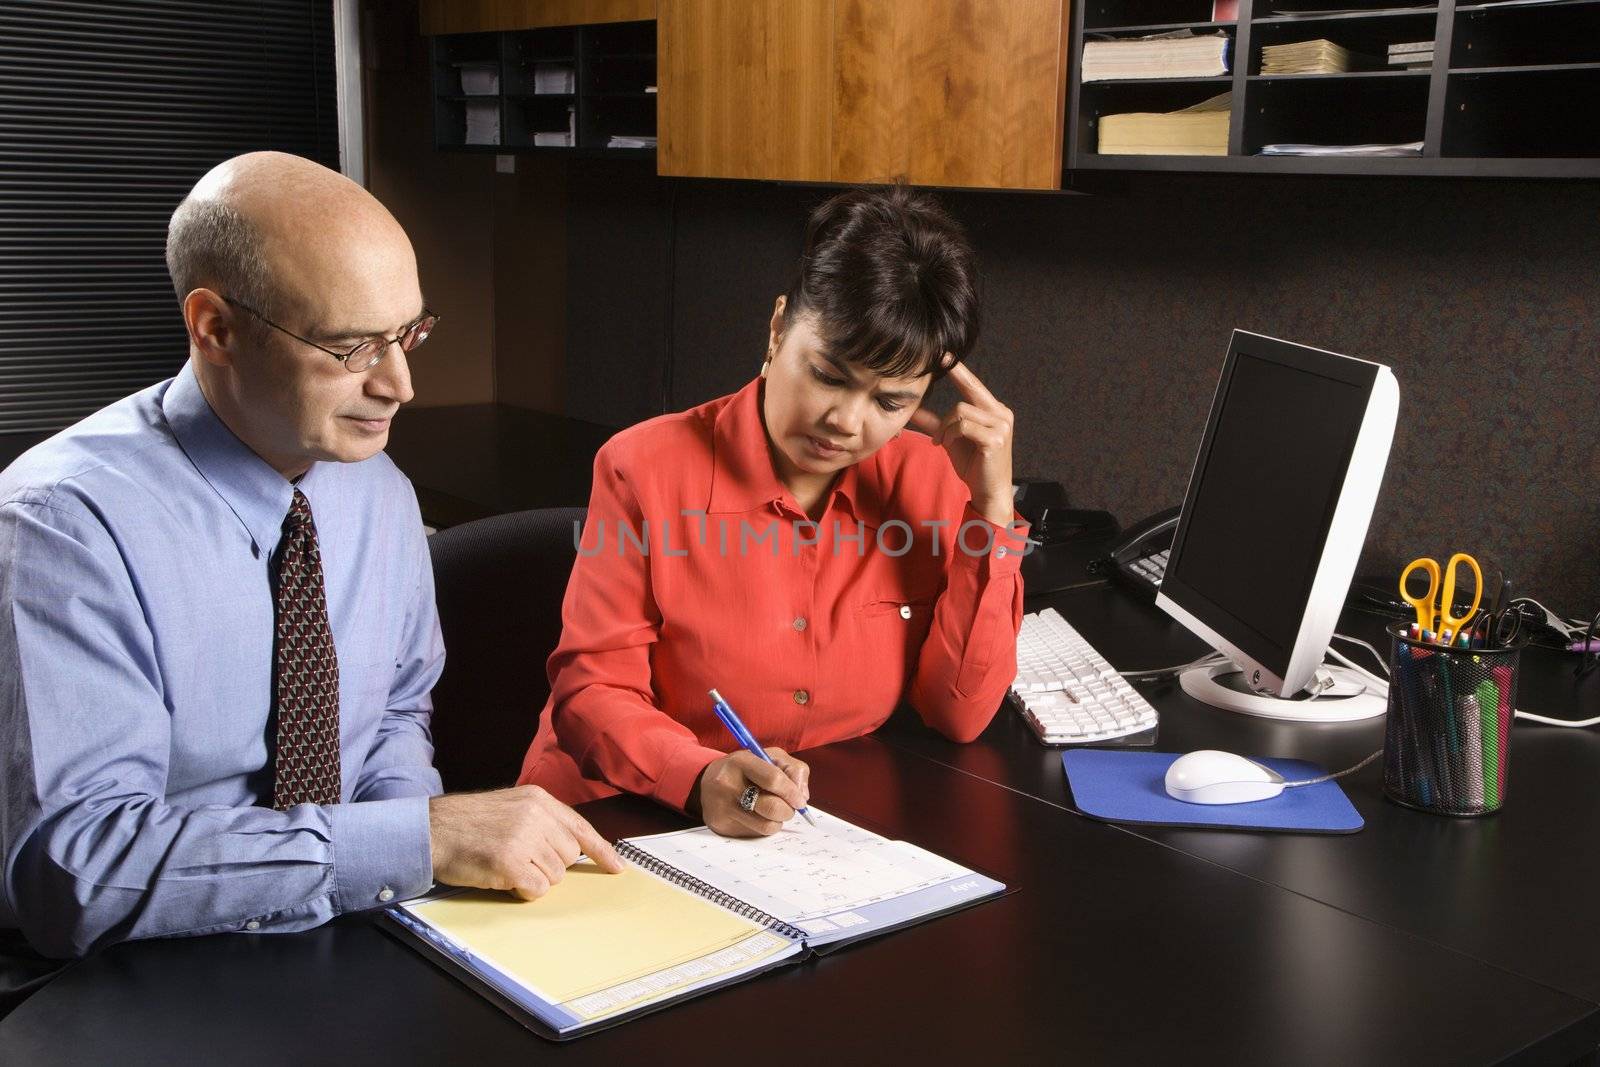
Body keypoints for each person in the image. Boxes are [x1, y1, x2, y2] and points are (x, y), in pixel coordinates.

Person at [0, 152, 621, 1011]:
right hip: (127, 979)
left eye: (409, 333)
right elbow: (79, 875)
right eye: (349, 345)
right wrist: (412, 839)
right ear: (215, 326)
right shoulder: (63, 525)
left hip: (355, 941)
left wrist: (424, 882)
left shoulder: (379, 492)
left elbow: (395, 713)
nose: (399, 383)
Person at [518, 184, 1027, 836]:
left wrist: (990, 509)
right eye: (829, 374)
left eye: (890, 401)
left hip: (796, 842)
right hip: (611, 820)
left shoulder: (928, 478)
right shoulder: (642, 468)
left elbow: (959, 712)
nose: (846, 421)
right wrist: (702, 779)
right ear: (778, 325)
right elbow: (591, 695)